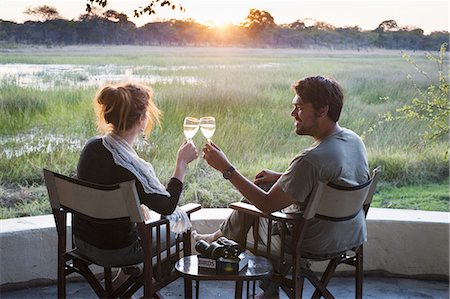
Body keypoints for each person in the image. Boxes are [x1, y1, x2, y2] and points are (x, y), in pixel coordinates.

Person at [193, 75, 370, 297]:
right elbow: (331, 182)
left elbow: (266, 205)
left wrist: (227, 169)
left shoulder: (310, 160)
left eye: (299, 108)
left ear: (322, 110)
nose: (293, 114)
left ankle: (223, 247)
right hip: (349, 234)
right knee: (263, 190)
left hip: (308, 242)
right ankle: (267, 286)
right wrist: (282, 177)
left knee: (250, 205)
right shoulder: (353, 140)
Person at [76, 82, 198, 287]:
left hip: (83, 242)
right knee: (181, 228)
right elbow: (167, 206)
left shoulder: (92, 147)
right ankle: (147, 280)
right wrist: (181, 164)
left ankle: (126, 278)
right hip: (117, 251)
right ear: (142, 119)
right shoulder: (128, 166)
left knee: (140, 221)